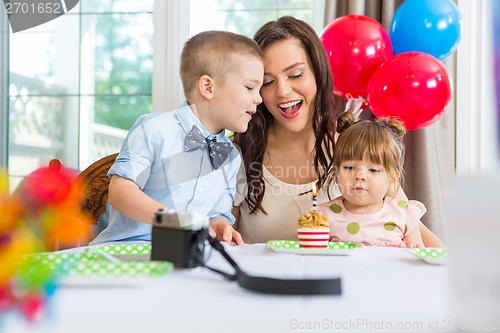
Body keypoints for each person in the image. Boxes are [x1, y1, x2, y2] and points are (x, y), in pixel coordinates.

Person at [232, 16, 444, 247]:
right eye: (268, 82)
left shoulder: (356, 145)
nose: (282, 91)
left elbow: (415, 232)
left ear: (318, 73)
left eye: (295, 75)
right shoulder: (240, 154)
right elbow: (219, 241)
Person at [91, 30, 263, 245]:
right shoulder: (154, 129)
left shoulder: (230, 156)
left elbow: (217, 212)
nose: (259, 98)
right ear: (208, 87)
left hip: (182, 257)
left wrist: (219, 224)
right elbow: (121, 192)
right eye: (250, 87)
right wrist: (171, 220)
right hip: (126, 252)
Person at [319, 112, 425, 248]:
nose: (359, 175)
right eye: (350, 167)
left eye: (373, 170)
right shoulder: (323, 217)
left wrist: (412, 253)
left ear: (393, 177)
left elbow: (420, 257)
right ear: (336, 171)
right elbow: (314, 260)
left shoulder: (404, 215)